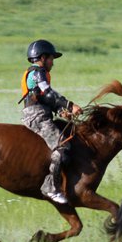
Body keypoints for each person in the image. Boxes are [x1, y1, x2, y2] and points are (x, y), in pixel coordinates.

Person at [20, 39, 82, 204]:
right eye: (51, 58)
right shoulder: (37, 72)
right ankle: (50, 188)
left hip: (42, 112)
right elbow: (48, 94)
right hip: (36, 116)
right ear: (43, 57)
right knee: (62, 146)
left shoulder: (39, 73)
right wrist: (70, 105)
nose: (53, 62)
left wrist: (63, 112)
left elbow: (45, 100)